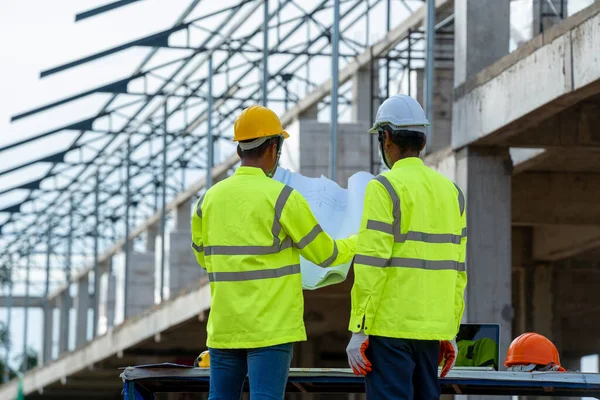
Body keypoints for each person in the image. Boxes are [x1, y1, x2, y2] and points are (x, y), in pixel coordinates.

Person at [191, 105, 357, 400]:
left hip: (225, 328)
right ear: (273, 147)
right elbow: (325, 256)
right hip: (272, 331)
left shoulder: (209, 200)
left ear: (241, 147)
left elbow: (204, 258)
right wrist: (357, 240)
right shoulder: (282, 198)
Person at [345, 94, 468, 400]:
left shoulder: (383, 187)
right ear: (423, 140)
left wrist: (360, 328)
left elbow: (371, 263)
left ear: (385, 138)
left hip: (389, 330)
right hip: (431, 334)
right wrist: (450, 331)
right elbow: (458, 271)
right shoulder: (452, 193)